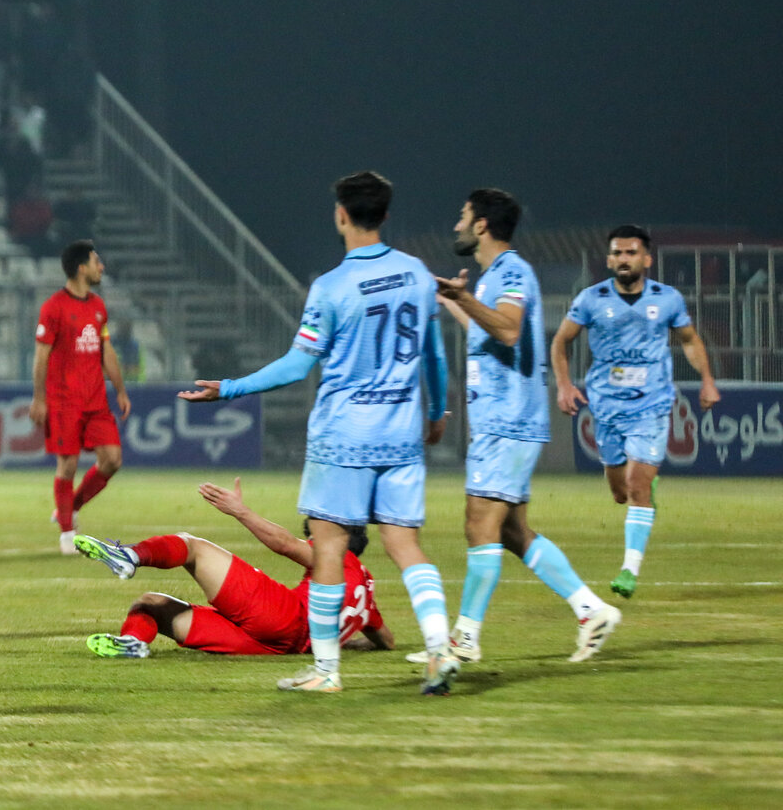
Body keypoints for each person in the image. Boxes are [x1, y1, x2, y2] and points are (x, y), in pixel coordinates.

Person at [180, 171, 455, 695]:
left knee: (327, 548)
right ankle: (440, 650)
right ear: (385, 215)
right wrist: (437, 412)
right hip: (400, 435)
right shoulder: (418, 275)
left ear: (341, 215)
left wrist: (230, 388)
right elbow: (434, 356)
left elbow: (296, 365)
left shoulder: (331, 287)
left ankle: (326, 671)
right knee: (405, 544)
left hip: (343, 435)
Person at [428, 188, 620, 667]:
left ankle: (465, 637)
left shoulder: (512, 271)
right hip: (502, 421)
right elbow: (489, 331)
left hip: (508, 421)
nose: (456, 225)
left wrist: (464, 297)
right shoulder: (494, 278)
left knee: (479, 523)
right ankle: (590, 609)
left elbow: (509, 329)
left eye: (463, 216)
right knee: (512, 531)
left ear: (482, 225)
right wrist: (454, 300)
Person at [550, 225, 720, 599]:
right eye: (617, 253)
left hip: (652, 404)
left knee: (637, 486)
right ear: (609, 260)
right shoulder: (591, 299)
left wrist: (707, 379)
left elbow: (690, 340)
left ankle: (629, 570)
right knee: (619, 492)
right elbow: (561, 341)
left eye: (631, 253)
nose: (623, 259)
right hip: (607, 406)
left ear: (646, 259)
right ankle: (642, 488)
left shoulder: (668, 299)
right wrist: (564, 385)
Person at [76, 478, 394, 659]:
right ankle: (134, 643)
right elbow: (385, 640)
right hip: (276, 648)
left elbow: (284, 544)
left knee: (193, 548)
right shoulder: (366, 592)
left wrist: (240, 511)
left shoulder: (336, 557)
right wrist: (347, 641)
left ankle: (129, 556)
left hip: (284, 619)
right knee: (150, 605)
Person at [29, 240, 131, 555]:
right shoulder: (54, 307)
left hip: (96, 401)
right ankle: (66, 534)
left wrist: (120, 389)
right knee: (68, 465)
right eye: (96, 261)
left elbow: (106, 350)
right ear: (81, 268)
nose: (101, 267)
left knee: (112, 460)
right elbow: (41, 356)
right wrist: (39, 399)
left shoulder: (98, 306)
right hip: (64, 401)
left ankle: (69, 507)